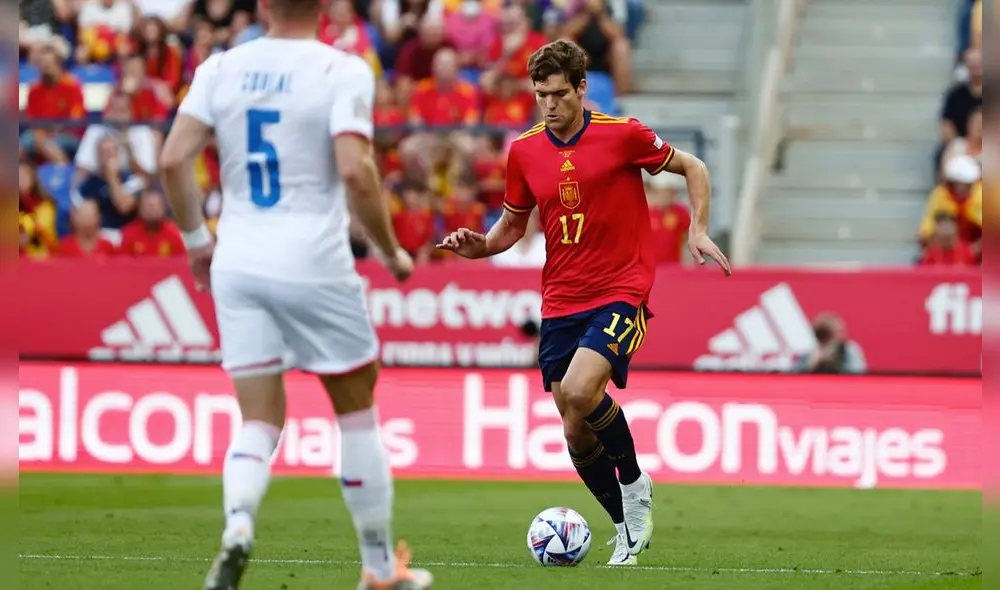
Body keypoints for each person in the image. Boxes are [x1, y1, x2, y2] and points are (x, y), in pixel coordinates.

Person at [157, 1, 430, 588]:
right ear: (325, 6)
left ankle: (237, 525)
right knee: (356, 413)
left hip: (237, 259)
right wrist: (390, 251)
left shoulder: (220, 68)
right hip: (313, 260)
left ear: (262, 6)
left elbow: (174, 158)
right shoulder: (342, 69)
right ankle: (381, 570)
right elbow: (357, 172)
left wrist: (196, 241)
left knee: (257, 419)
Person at [438, 39, 730, 566]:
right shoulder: (524, 151)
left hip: (622, 289)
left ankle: (636, 485)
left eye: (557, 94)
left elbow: (694, 167)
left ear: (580, 88)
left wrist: (698, 229)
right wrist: (476, 246)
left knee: (578, 389)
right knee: (573, 421)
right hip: (560, 299)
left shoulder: (623, 135)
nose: (548, 104)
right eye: (539, 95)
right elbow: (510, 227)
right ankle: (622, 527)